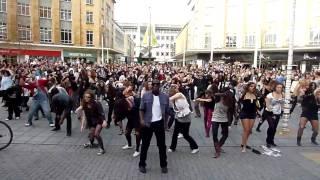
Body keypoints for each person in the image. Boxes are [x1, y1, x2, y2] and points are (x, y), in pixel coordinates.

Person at [138, 79, 169, 174]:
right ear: (151, 85)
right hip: (148, 123)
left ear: (159, 85)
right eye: (153, 84)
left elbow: (167, 112)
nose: (155, 86)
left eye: (157, 84)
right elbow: (141, 109)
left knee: (162, 146)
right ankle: (142, 164)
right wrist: (142, 120)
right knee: (145, 145)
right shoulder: (146, 95)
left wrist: (165, 124)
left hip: (159, 123)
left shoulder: (164, 97)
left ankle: (163, 165)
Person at [167, 86, 199, 154]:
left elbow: (170, 98)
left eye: (171, 93)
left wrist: (166, 97)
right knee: (175, 134)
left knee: (185, 135)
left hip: (186, 117)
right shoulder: (173, 100)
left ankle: (195, 147)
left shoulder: (180, 95)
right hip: (178, 117)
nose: (170, 94)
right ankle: (172, 147)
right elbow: (174, 108)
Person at [81, 90, 107, 155]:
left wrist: (104, 121)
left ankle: (102, 149)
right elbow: (84, 115)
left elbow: (102, 113)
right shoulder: (84, 104)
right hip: (91, 121)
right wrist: (82, 125)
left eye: (88, 97)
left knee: (96, 134)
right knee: (91, 134)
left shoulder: (97, 103)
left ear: (91, 97)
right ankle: (91, 143)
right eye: (85, 97)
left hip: (99, 120)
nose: (86, 98)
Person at [211, 89, 233, 158]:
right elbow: (215, 94)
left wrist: (229, 124)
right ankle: (217, 151)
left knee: (225, 135)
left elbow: (230, 113)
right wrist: (224, 94)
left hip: (224, 119)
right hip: (215, 118)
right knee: (214, 134)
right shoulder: (218, 99)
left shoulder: (230, 102)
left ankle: (218, 146)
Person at [239, 82, 259, 152]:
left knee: (249, 131)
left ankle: (243, 143)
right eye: (251, 86)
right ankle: (244, 146)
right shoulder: (244, 95)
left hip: (252, 114)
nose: (252, 88)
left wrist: (258, 111)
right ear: (248, 87)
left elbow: (257, 105)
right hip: (244, 113)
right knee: (246, 130)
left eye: (254, 86)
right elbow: (239, 103)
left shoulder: (255, 95)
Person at [264, 83, 284, 147]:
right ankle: (268, 141)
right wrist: (271, 110)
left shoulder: (282, 94)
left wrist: (282, 111)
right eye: (278, 87)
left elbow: (282, 104)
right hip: (269, 113)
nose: (279, 89)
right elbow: (267, 104)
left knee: (274, 128)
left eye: (281, 87)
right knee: (271, 127)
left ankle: (271, 140)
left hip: (278, 113)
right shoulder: (270, 95)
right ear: (275, 87)